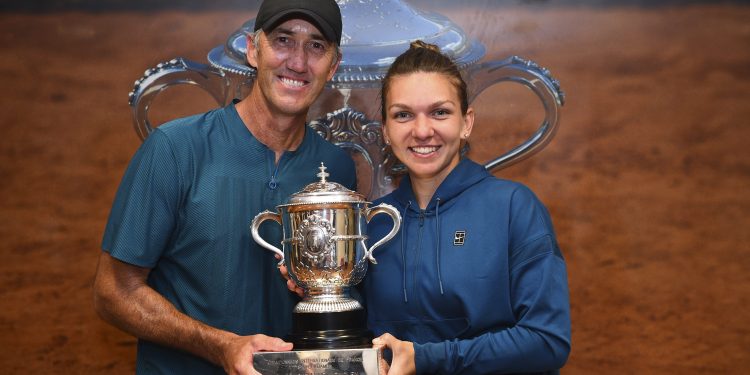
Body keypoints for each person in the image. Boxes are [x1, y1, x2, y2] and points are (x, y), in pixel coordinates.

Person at [92, 0, 356, 374]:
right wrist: (221, 346)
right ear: (253, 49)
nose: (298, 62)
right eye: (283, 40)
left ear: (334, 66)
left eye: (316, 46)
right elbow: (113, 292)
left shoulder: (336, 171)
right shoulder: (175, 149)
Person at [360, 41, 571, 374]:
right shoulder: (370, 223)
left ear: (466, 122)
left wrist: (425, 358)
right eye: (403, 115)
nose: (422, 130)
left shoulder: (514, 207)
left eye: (439, 112)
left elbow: (548, 341)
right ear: (385, 130)